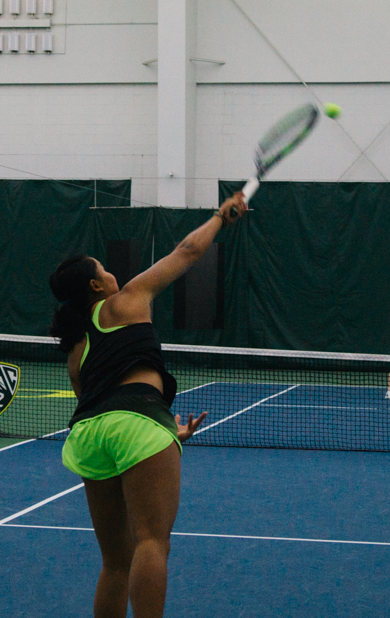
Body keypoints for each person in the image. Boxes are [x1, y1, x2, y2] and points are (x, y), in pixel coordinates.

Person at [48, 193, 248, 618]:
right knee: (152, 541)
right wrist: (219, 217)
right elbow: (189, 251)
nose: (110, 269)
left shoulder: (76, 350)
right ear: (95, 286)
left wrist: (165, 432)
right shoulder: (129, 299)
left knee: (114, 561)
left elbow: (100, 408)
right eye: (102, 267)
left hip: (88, 436)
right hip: (139, 425)